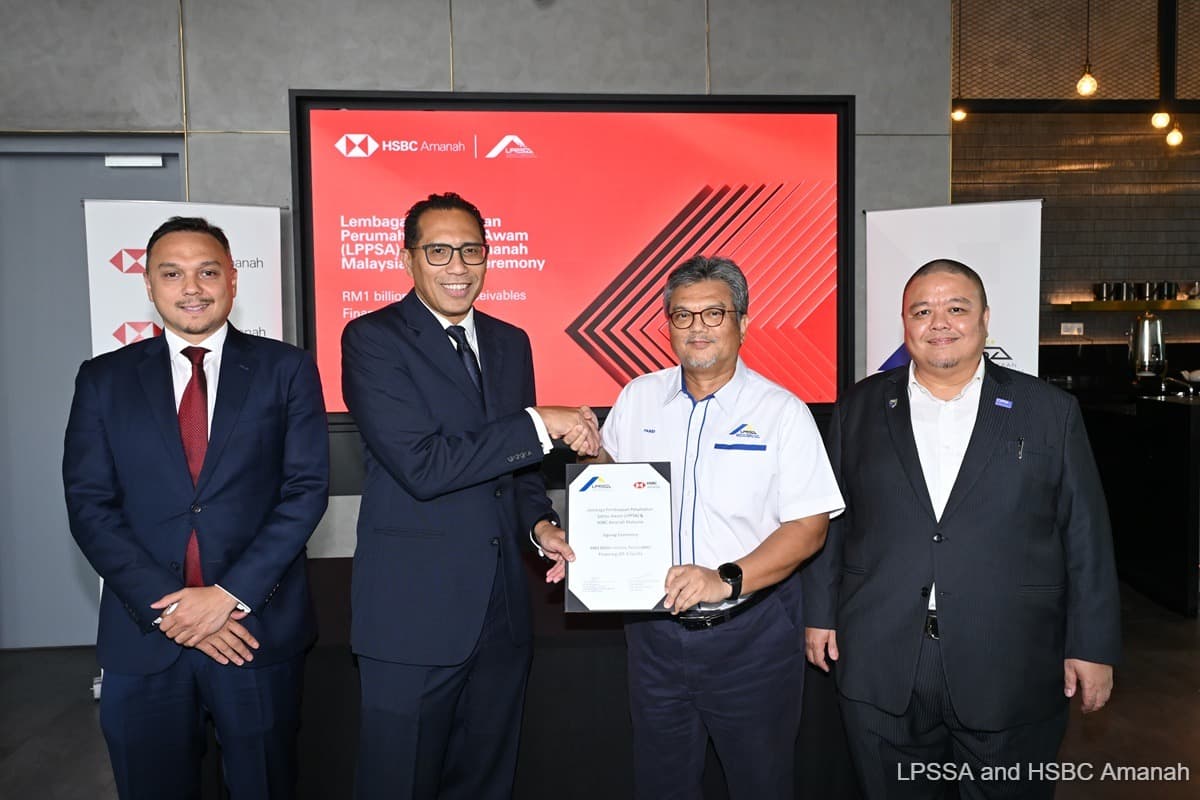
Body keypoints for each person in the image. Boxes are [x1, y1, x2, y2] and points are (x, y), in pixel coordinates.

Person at [803, 259, 1120, 799]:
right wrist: (819, 614)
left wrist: (1093, 646)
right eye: (922, 311)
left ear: (985, 318)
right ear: (904, 324)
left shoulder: (1049, 411)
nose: (939, 323)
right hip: (883, 656)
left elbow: (1085, 536)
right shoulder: (860, 407)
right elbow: (833, 520)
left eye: (956, 308)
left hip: (1009, 659)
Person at [539, 255, 844, 799]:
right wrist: (587, 538)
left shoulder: (782, 411)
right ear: (667, 326)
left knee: (761, 785)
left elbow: (809, 527)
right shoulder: (638, 397)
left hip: (750, 638)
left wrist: (724, 579)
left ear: (743, 323)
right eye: (683, 316)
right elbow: (616, 489)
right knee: (662, 785)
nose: (697, 328)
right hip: (654, 640)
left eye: (713, 314)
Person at [63, 216, 330, 799]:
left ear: (232, 280)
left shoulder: (287, 369)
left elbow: (304, 491)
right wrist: (172, 613)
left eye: (208, 271)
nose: (192, 287)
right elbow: (90, 505)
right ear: (149, 285)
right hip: (144, 637)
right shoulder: (103, 380)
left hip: (254, 632)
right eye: (172, 273)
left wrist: (226, 598)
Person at [342, 192, 598, 800]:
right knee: (397, 783)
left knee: (487, 782)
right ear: (408, 260)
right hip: (411, 618)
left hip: (502, 613)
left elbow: (518, 473)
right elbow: (423, 466)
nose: (457, 266)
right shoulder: (373, 340)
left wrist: (540, 526)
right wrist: (542, 423)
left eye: (471, 250)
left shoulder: (511, 342)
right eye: (438, 251)